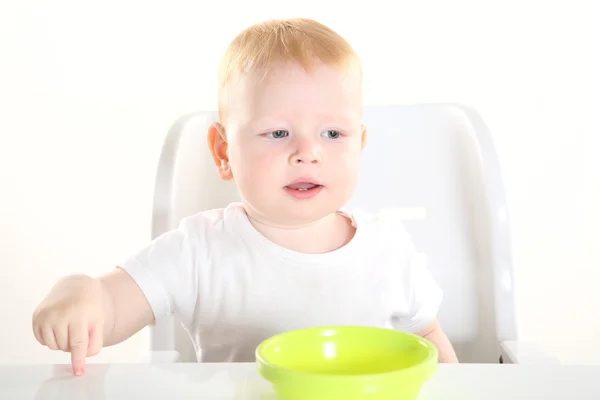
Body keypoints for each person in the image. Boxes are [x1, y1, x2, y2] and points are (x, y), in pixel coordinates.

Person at [32, 17, 458, 377]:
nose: (307, 152)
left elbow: (427, 338)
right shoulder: (198, 251)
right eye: (277, 133)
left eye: (333, 133)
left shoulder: (388, 248)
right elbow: (111, 305)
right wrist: (81, 292)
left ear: (359, 144)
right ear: (224, 153)